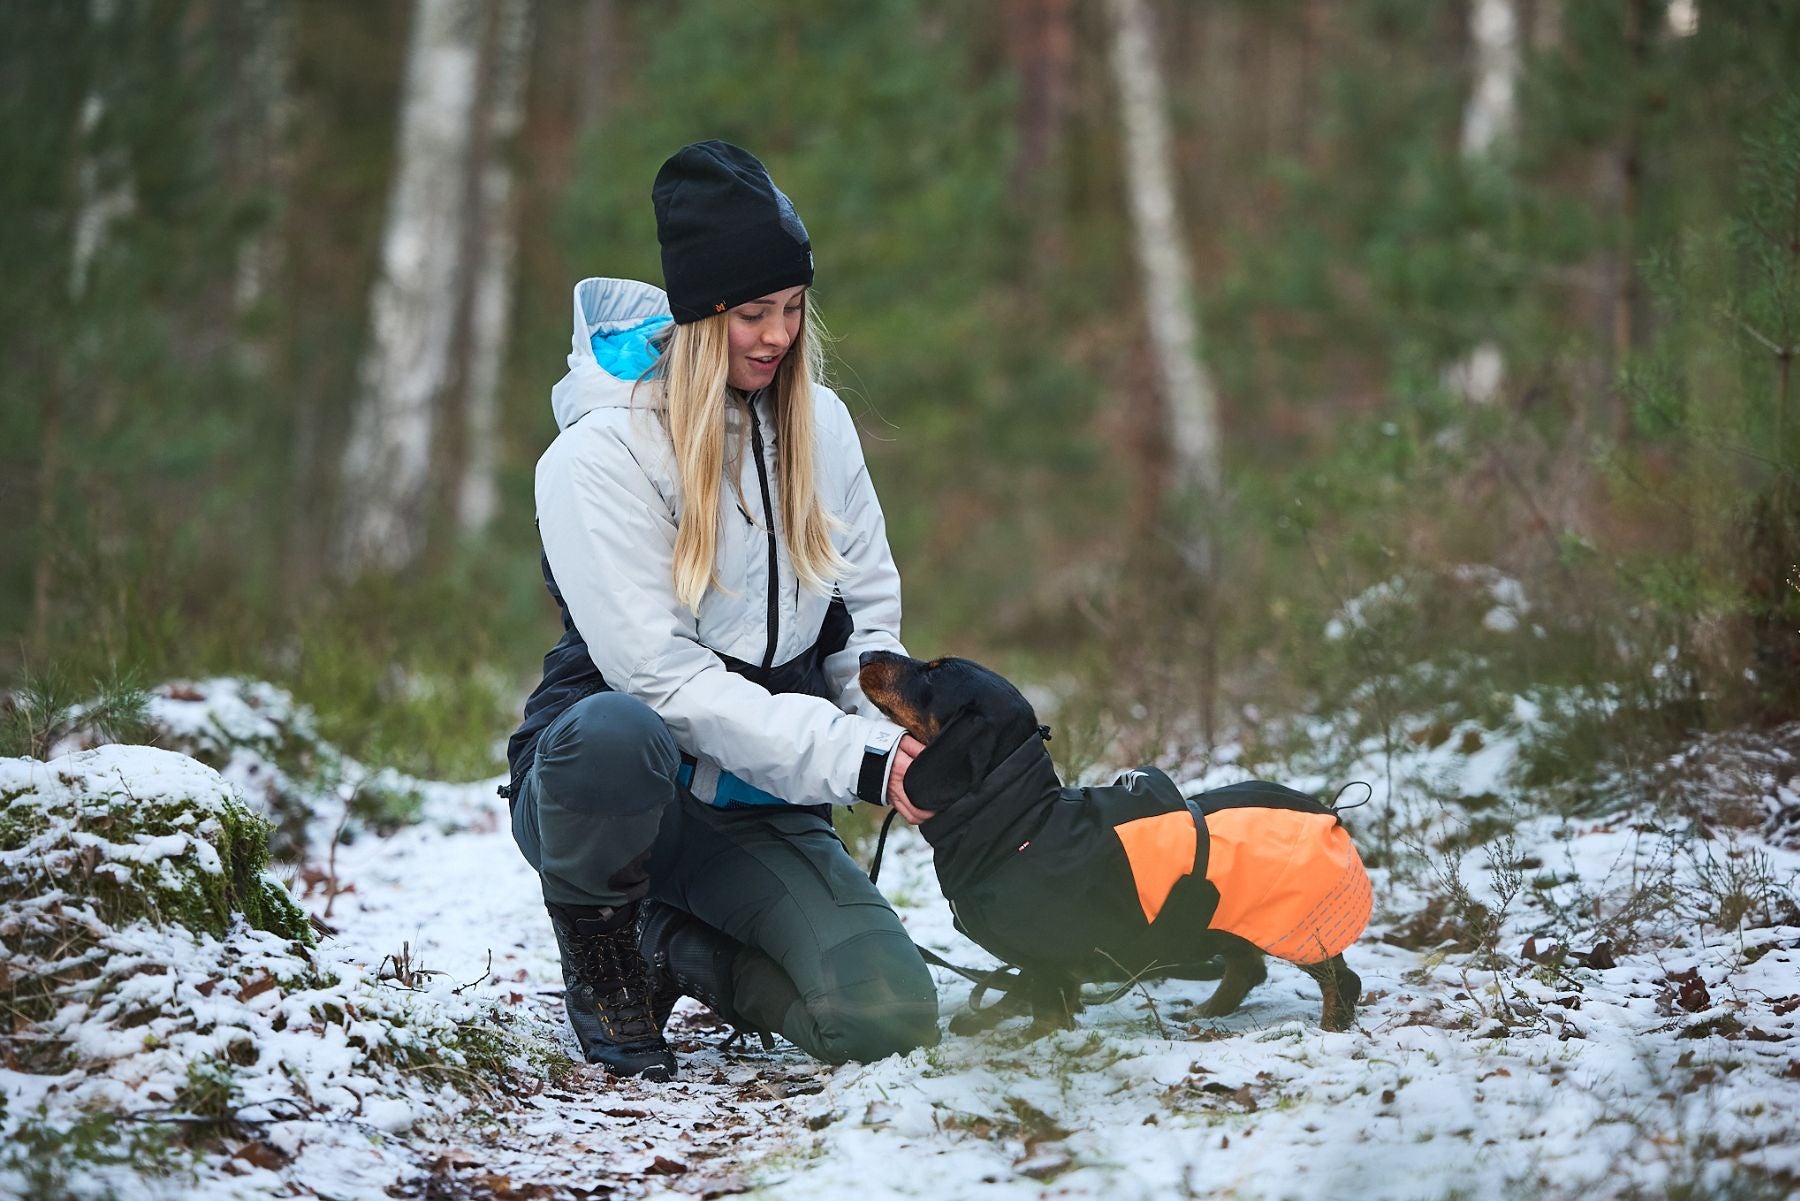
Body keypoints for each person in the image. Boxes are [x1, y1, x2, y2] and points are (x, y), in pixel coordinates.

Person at [503, 141, 939, 1080]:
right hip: (614, 791)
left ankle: (673, 945)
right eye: (751, 313)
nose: (777, 334)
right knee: (615, 732)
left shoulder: (820, 425)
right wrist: (856, 760)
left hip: (756, 792)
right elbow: (661, 682)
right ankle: (605, 944)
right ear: (701, 314)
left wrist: (901, 739)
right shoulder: (598, 454)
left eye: (791, 308)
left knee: (886, 1013)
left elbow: (864, 624)